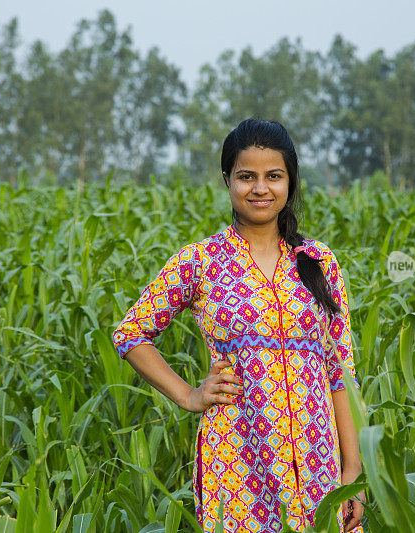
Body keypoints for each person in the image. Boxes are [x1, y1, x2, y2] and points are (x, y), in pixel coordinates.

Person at [112, 118, 365, 532]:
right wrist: (188, 395)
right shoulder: (201, 261)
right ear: (227, 179)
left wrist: (352, 474)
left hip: (319, 463)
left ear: (290, 181)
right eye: (246, 176)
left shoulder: (319, 262)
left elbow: (340, 374)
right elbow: (131, 334)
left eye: (274, 176)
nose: (260, 188)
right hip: (237, 463)